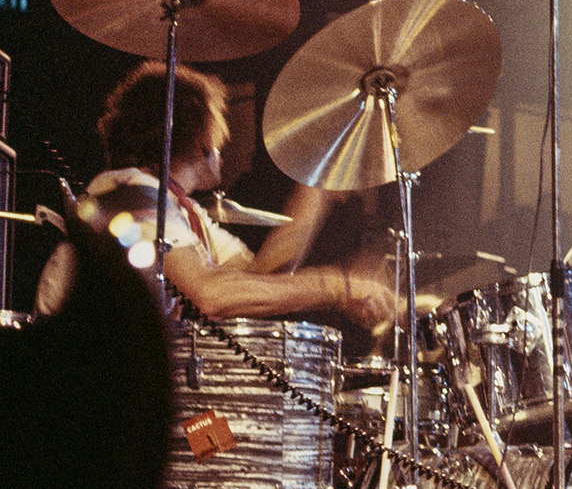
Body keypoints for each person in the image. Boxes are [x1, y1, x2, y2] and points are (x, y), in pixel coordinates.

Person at [37, 60, 398, 328]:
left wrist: (315, 191)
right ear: (201, 139)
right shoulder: (127, 192)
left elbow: (259, 280)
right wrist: (334, 286)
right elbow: (208, 294)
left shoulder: (181, 209)